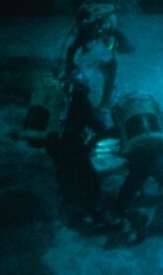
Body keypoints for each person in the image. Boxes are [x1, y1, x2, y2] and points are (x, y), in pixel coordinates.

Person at [107, 95, 163, 247]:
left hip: (139, 159)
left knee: (123, 198)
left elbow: (119, 135)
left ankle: (131, 218)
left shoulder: (125, 117)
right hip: (156, 156)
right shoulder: (152, 116)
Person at [43, 77, 113, 232]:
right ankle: (89, 213)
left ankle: (70, 214)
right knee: (92, 180)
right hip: (72, 145)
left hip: (52, 145)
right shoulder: (80, 99)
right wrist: (106, 130)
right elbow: (94, 123)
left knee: (66, 177)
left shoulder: (55, 98)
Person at [64, 0, 134, 110]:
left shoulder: (112, 31)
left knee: (111, 71)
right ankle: (77, 99)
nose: (97, 30)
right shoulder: (86, 32)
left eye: (99, 29)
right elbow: (72, 49)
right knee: (81, 75)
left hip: (107, 56)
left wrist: (118, 46)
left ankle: (105, 102)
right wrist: (70, 66)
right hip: (91, 53)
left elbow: (129, 48)